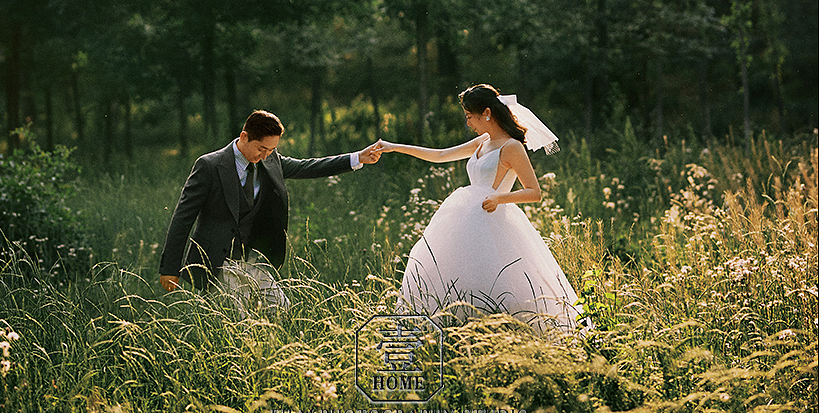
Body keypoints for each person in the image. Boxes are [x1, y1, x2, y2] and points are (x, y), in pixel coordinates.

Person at [376, 85, 584, 332]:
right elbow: (441, 155)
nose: (468, 123)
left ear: (486, 113)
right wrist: (394, 147)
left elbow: (534, 192)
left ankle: (500, 330)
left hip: (492, 220)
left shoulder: (511, 147)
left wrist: (499, 199)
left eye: (469, 116)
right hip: (465, 218)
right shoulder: (483, 142)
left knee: (497, 278)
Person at [159, 108, 382, 313]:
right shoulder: (209, 166)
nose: (266, 155)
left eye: (272, 149)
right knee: (235, 319)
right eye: (261, 148)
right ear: (244, 136)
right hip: (219, 260)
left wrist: (357, 158)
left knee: (281, 309)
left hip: (255, 258)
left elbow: (308, 166)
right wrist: (170, 267)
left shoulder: (271, 160)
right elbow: (182, 217)